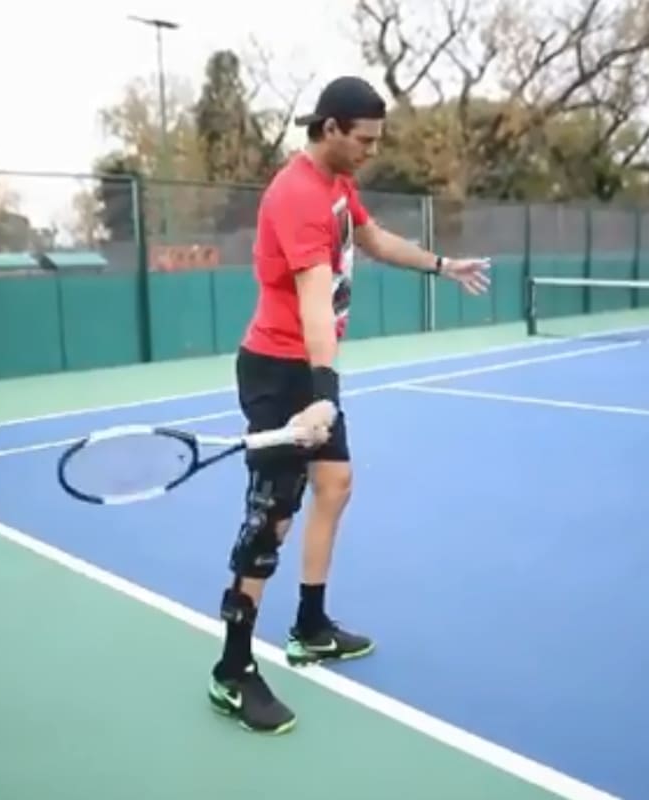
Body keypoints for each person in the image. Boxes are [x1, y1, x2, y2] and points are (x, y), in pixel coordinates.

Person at [206, 75, 492, 735]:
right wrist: (323, 397)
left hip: (307, 368)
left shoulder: (337, 184)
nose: (370, 151)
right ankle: (231, 668)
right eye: (362, 140)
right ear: (330, 127)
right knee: (271, 516)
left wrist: (440, 264)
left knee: (333, 483)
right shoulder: (297, 197)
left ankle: (309, 626)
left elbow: (373, 240)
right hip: (280, 372)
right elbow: (312, 298)